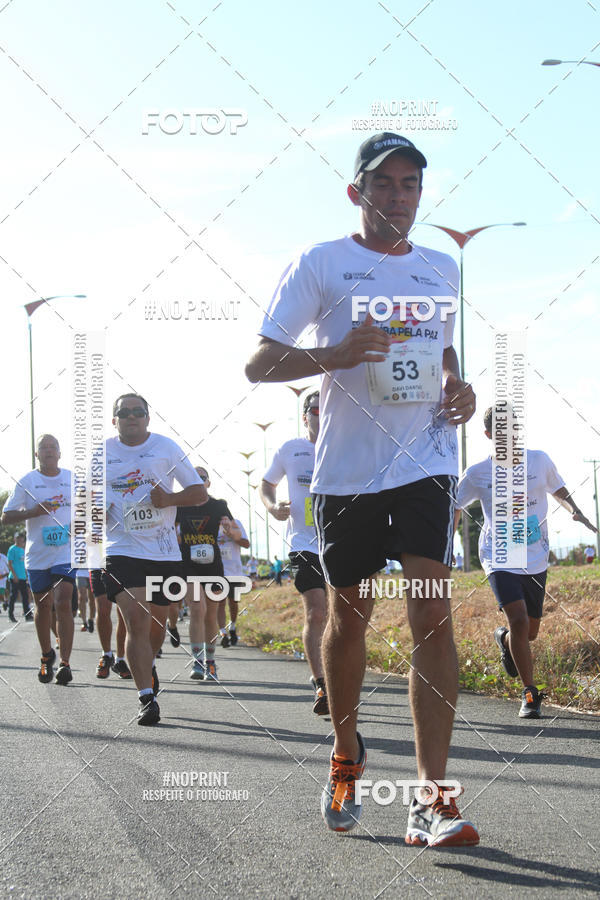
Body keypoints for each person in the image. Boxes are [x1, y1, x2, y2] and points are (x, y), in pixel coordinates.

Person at [246, 132, 479, 846]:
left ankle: (433, 799)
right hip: (347, 472)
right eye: (384, 185)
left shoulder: (441, 268)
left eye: (410, 185)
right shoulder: (321, 262)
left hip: (426, 464)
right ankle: (346, 752)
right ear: (357, 192)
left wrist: (457, 385)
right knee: (350, 621)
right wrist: (334, 354)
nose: (398, 198)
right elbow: (260, 363)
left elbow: (441, 345)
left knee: (432, 616)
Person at [455, 405, 598, 718]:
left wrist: (573, 508)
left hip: (535, 555)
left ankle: (504, 640)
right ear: (490, 435)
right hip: (499, 555)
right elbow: (454, 504)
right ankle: (530, 694)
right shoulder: (478, 472)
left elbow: (557, 487)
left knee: (529, 632)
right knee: (519, 620)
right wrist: (443, 546)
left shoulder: (539, 460)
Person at [103, 393, 205, 725]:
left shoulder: (166, 448)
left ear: (148, 418)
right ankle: (146, 698)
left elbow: (199, 493)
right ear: (114, 419)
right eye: (124, 412)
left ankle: (149, 664)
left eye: (138, 412)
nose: (131, 417)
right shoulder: (99, 455)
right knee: (136, 619)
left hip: (163, 552)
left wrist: (169, 498)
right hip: (121, 549)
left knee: (157, 626)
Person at [260, 389, 329, 715]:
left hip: (342, 543)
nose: (320, 413)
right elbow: (266, 484)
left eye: (326, 407)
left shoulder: (346, 445)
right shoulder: (292, 448)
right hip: (303, 544)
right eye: (314, 410)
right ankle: (321, 684)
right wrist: (273, 507)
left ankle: (339, 675)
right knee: (316, 612)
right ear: (305, 416)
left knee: (340, 616)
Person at [2, 435, 76, 684]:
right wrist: (33, 512)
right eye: (43, 448)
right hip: (37, 556)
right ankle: (47, 655)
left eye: (52, 447)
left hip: (65, 553)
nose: (48, 451)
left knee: (63, 601)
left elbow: (90, 508)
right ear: (37, 455)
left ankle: (65, 663)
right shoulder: (28, 481)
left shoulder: (72, 479)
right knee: (43, 606)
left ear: (60, 452)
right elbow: (6, 517)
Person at [176, 466, 233, 682]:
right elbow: (170, 529)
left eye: (203, 478)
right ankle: (197, 660)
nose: (198, 480)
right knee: (197, 608)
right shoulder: (180, 506)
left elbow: (233, 529)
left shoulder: (219, 505)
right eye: (194, 477)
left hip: (213, 566)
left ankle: (211, 660)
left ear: (208, 482)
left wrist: (228, 527)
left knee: (211, 614)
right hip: (188, 565)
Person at [91, 569, 131, 679]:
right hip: (98, 565)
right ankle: (107, 655)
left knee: (123, 613)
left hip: (123, 562)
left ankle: (120, 660)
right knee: (102, 609)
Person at [217, 517, 250, 646]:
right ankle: (222, 632)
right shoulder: (212, 524)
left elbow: (247, 544)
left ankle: (233, 627)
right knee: (219, 602)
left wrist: (233, 536)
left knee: (233, 602)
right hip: (217, 570)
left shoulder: (236, 523)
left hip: (234, 571)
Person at [6, 533, 32, 622]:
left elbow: (24, 564)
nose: (19, 540)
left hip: (23, 577)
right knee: (13, 596)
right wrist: (15, 576)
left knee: (25, 596)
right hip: (15, 577)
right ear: (15, 539)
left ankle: (28, 615)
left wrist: (27, 576)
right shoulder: (12, 549)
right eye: (17, 538)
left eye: (20, 538)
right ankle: (11, 615)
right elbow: (9, 563)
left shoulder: (23, 550)